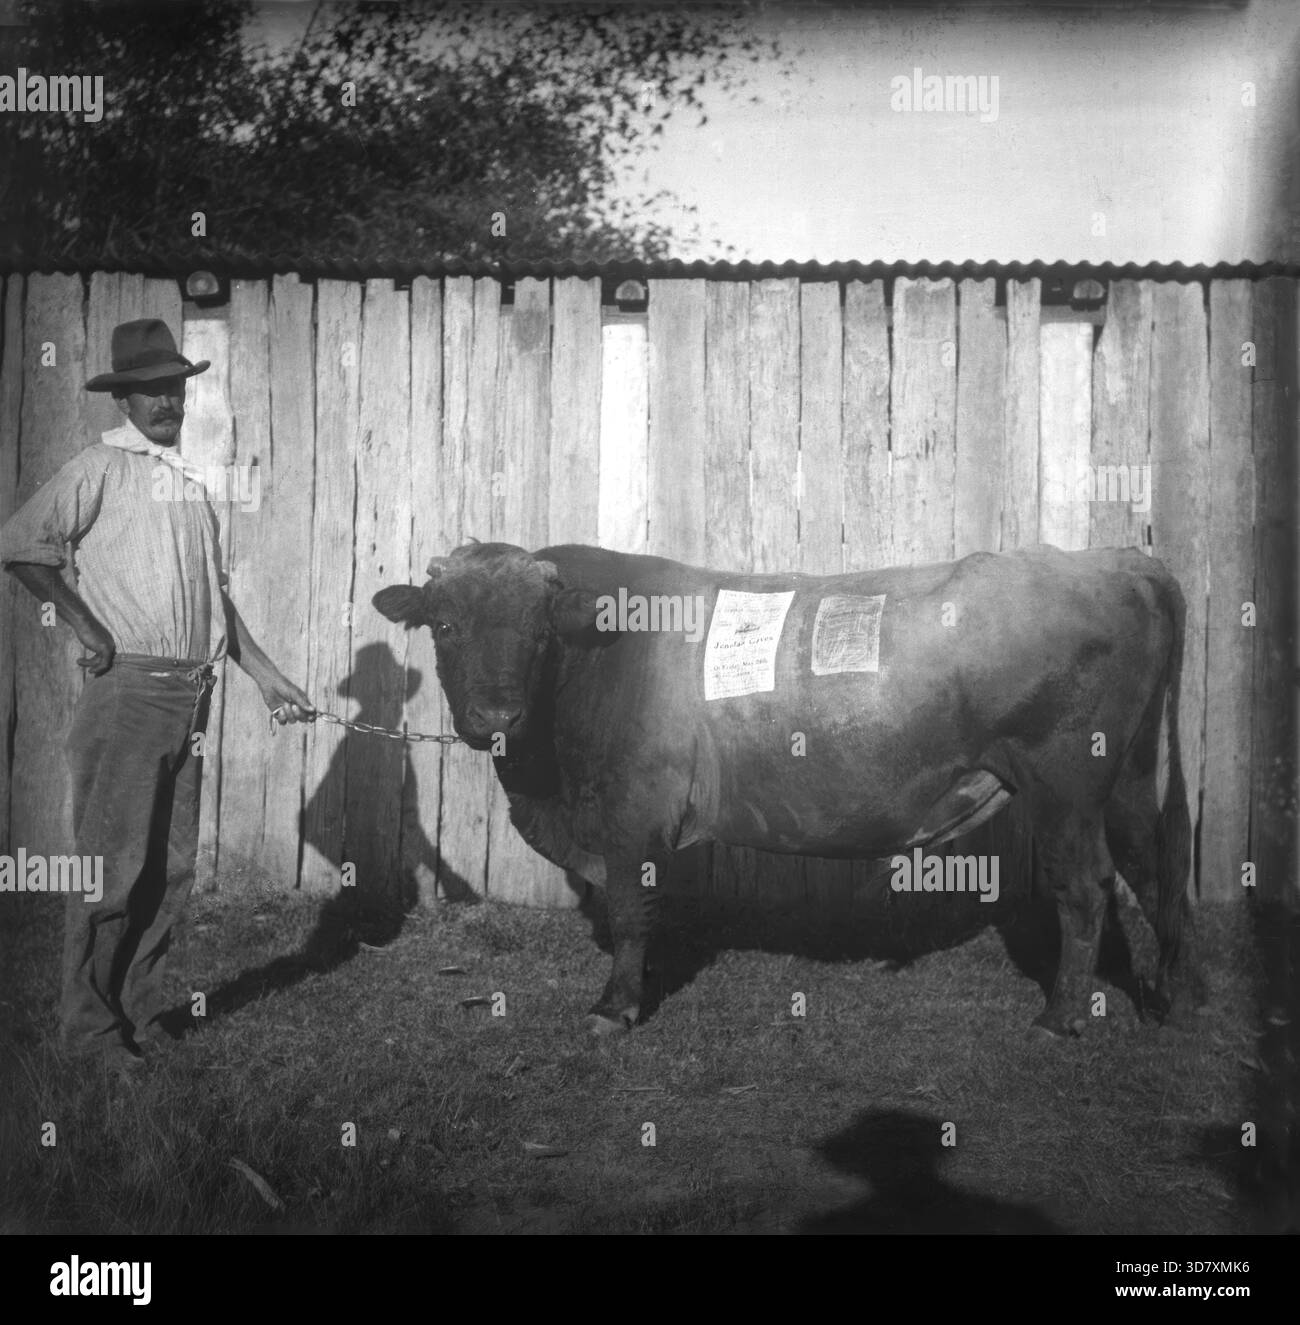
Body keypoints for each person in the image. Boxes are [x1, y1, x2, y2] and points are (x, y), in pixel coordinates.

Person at [0, 318, 315, 1074]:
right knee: (112, 866)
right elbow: (20, 546)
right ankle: (89, 1029)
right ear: (125, 399)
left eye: (175, 386)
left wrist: (268, 678)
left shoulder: (194, 492)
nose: (167, 400)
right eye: (151, 389)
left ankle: (137, 1012)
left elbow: (216, 606)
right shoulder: (97, 468)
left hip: (191, 696)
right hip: (130, 693)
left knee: (170, 870)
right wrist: (86, 627)